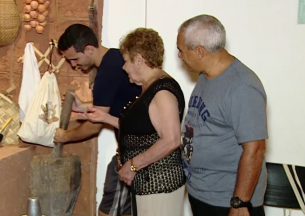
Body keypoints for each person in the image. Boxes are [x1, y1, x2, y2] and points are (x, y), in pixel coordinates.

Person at [79, 27, 186, 216]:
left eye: (126, 61)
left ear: (139, 60)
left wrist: (134, 164)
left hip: (159, 186)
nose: (123, 67)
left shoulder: (162, 91)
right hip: (146, 185)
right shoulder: (149, 86)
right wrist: (103, 117)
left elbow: (171, 139)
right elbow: (141, 128)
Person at [176, 14, 268, 216]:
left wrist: (239, 203)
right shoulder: (205, 76)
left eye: (181, 50)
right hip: (202, 194)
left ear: (199, 51)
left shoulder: (242, 87)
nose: (180, 56)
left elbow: (255, 149)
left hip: (226, 201)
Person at [53, 23, 141, 216]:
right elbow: (113, 108)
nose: (74, 65)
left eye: (74, 59)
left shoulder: (107, 73)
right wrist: (84, 107)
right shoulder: (116, 59)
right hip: (133, 152)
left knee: (108, 213)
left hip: (133, 155)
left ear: (89, 49)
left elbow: (94, 127)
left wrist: (64, 136)